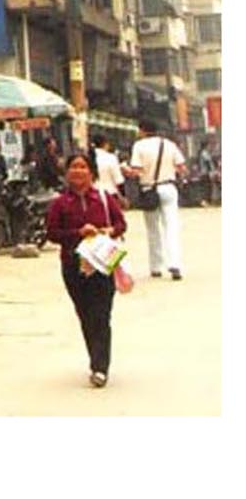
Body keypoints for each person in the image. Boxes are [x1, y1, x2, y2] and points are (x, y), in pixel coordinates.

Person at [46, 149, 127, 388]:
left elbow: (121, 223)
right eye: (74, 167)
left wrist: (108, 231)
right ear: (67, 173)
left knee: (101, 315)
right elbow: (52, 233)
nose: (78, 171)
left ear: (91, 172)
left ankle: (100, 366)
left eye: (83, 167)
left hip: (102, 264)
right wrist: (77, 234)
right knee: (85, 315)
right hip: (74, 265)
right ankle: (95, 356)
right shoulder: (60, 203)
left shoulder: (103, 198)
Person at [123, 119, 187, 280]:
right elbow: (181, 167)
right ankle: (175, 264)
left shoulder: (139, 146)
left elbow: (136, 171)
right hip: (169, 188)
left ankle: (156, 267)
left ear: (142, 131)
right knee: (171, 227)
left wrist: (126, 170)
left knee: (153, 230)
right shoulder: (169, 144)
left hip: (149, 190)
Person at [93, 137, 125, 201]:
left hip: (93, 195)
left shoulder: (88, 157)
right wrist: (123, 196)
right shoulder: (111, 158)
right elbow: (118, 180)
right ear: (106, 144)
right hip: (110, 194)